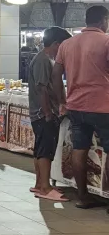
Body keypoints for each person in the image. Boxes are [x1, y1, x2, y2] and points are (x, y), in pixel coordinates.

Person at [52, 5, 109, 209]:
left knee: (79, 149)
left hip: (76, 106)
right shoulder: (106, 41)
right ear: (103, 20)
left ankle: (83, 197)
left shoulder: (67, 44)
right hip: (103, 107)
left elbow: (56, 75)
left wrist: (62, 101)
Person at [28, 26, 72, 202]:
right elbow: (41, 89)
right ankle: (45, 188)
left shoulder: (45, 59)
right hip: (42, 113)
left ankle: (40, 184)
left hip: (41, 112)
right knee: (46, 150)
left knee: (40, 149)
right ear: (55, 44)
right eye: (63, 46)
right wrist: (48, 113)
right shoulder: (43, 60)